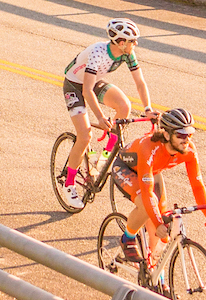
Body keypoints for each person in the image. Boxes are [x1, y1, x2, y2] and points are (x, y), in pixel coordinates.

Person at [114, 105, 206, 286]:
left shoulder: (189, 151)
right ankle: (128, 238)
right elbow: (147, 194)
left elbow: (197, 184)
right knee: (150, 208)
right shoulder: (149, 148)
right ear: (166, 135)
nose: (186, 140)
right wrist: (156, 223)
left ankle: (155, 269)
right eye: (180, 135)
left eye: (189, 134)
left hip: (152, 172)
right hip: (126, 169)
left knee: (163, 229)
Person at [62, 18, 151, 189]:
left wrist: (148, 109)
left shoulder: (127, 53)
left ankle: (104, 156)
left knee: (124, 106)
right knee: (85, 135)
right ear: (121, 42)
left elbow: (140, 83)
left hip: (94, 81)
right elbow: (86, 91)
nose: (136, 43)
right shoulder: (98, 52)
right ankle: (69, 183)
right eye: (133, 41)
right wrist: (101, 117)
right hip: (74, 85)